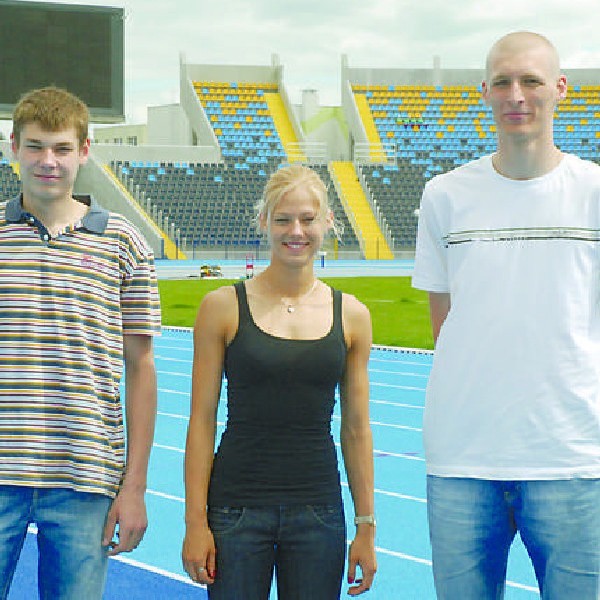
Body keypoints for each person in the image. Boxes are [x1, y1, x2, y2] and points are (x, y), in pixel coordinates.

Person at [413, 31, 600, 599]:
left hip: (573, 459)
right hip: (463, 461)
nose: (516, 95)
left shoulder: (594, 192)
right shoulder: (444, 196)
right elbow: (444, 321)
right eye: (502, 82)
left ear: (561, 89)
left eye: (531, 81)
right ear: (486, 92)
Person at [182, 164, 377, 598]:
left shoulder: (352, 316)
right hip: (235, 510)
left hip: (319, 512)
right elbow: (201, 421)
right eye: (283, 218)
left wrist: (366, 526)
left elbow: (357, 428)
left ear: (327, 222)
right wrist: (196, 522)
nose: (296, 231)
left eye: (308, 219)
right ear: (263, 222)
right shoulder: (222, 307)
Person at [0, 86, 161, 599]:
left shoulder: (124, 242)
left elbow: (141, 368)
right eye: (35, 146)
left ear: (85, 151)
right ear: (13, 148)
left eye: (62, 148)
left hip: (85, 475)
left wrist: (133, 487)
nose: (49, 161)